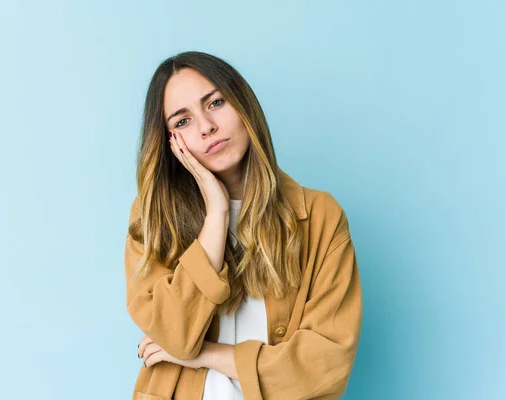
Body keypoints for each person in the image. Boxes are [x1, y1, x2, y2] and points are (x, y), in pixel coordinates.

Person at [124, 51, 363, 400]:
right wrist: (217, 214)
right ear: (170, 142)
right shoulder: (154, 218)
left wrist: (206, 355)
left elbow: (327, 363)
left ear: (244, 106)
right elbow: (173, 333)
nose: (206, 126)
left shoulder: (320, 216)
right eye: (182, 121)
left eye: (216, 102)